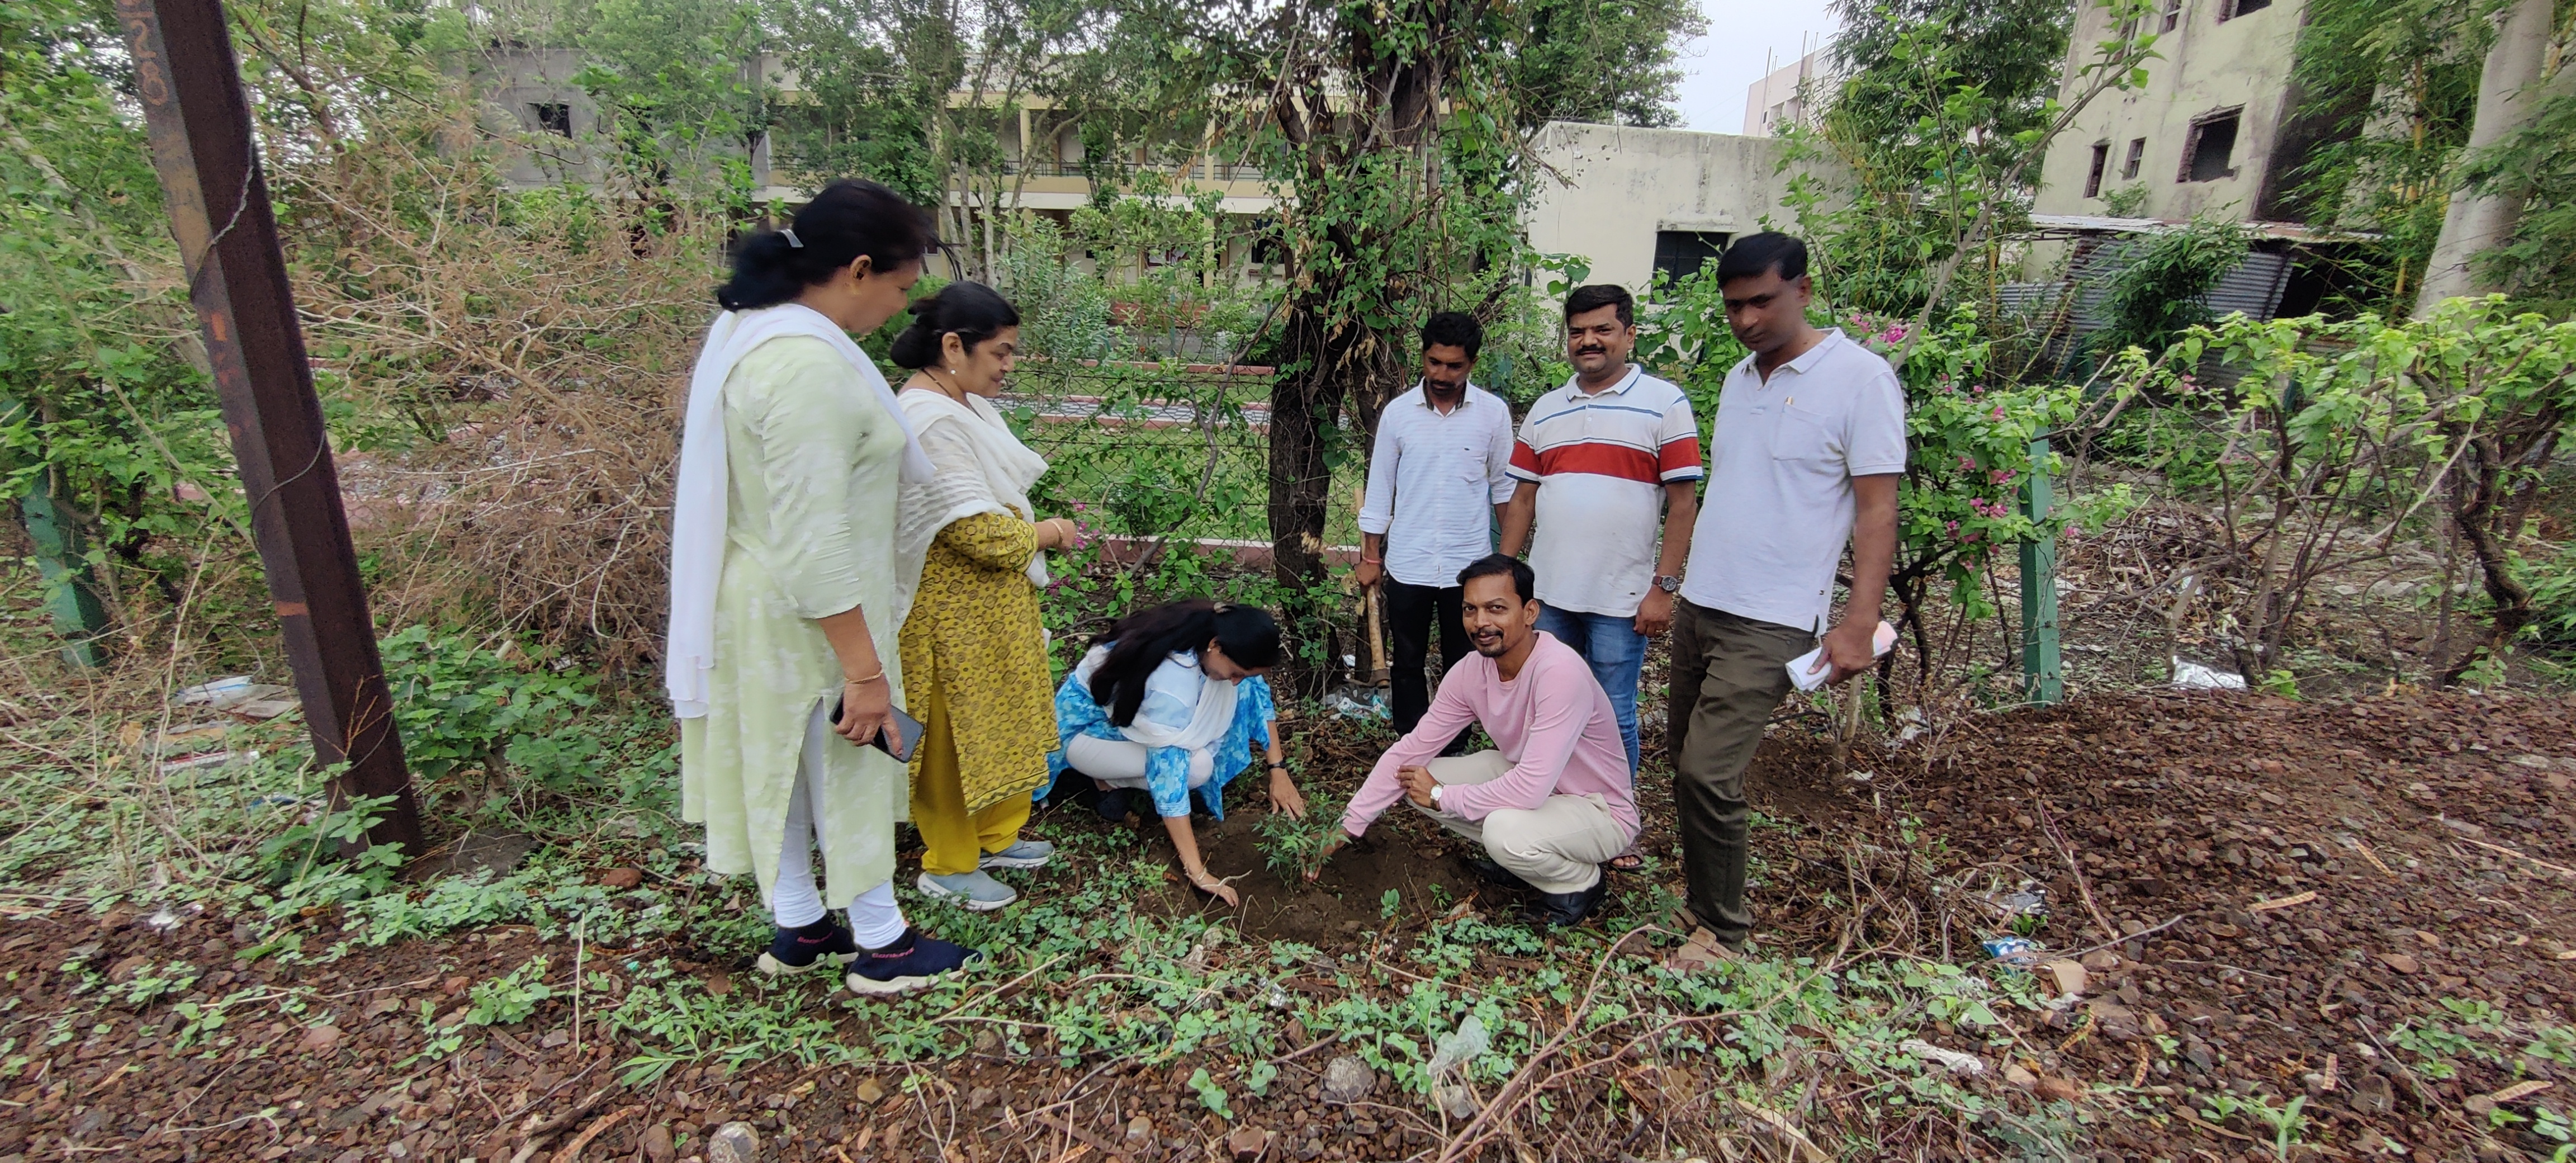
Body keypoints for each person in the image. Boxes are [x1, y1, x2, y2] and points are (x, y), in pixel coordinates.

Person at [666, 178, 977, 995]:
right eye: (903, 289)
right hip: (808, 615)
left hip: (776, 605)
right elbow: (814, 535)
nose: (901, 307)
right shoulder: (803, 365)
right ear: (860, 269)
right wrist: (865, 673)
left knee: (792, 770)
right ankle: (883, 945)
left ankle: (802, 927)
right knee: (852, 766)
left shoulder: (760, 337)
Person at [1665, 233, 1905, 971]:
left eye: (1761, 302)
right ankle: (1703, 901)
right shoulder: (1740, 379)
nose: (1745, 319)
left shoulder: (1861, 379)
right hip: (1702, 603)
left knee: (1709, 771)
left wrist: (1859, 621)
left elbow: (1876, 510)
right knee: (1683, 762)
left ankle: (1726, 934)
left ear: (1803, 289)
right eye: (1733, 306)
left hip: (1771, 618)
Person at [1317, 554, 1637, 926]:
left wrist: (1443, 796)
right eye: (1470, 609)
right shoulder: (1472, 671)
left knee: (1502, 830)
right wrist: (1349, 824)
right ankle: (1527, 860)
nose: (1481, 622)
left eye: (1496, 608)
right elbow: (1411, 749)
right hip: (1541, 789)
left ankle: (1580, 882)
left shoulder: (1559, 673)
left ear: (1530, 612)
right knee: (1413, 776)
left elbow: (1531, 788)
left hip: (1599, 811)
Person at [1499, 283, 1701, 869]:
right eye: (1578, 330)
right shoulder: (1546, 408)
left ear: (1629, 334)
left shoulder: (1664, 404)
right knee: (1547, 708)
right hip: (1551, 597)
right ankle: (1553, 808)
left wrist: (1663, 588)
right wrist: (1506, 580)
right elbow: (1521, 501)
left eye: (1603, 329)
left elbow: (1683, 505)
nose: (1589, 340)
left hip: (1620, 599)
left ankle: (1616, 824)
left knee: (1613, 713)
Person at [890, 281, 1073, 913]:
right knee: (949, 735)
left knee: (1000, 722)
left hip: (990, 610)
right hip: (946, 615)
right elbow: (978, 532)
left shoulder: (960, 405)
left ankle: (995, 836)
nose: (1008, 366)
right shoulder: (928, 420)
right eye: (1000, 352)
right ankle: (947, 862)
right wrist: (1050, 533)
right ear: (952, 346)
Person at [1045, 601, 1305, 905]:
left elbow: (1257, 690)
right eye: (1235, 672)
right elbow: (1168, 771)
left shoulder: (1210, 633)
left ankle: (1115, 777)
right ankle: (1101, 779)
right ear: (1215, 647)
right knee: (1196, 767)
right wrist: (1198, 872)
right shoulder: (1172, 687)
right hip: (1086, 733)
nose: (1236, 680)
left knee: (1237, 697)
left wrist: (1278, 769)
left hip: (1129, 722)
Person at [1355, 311, 1517, 744]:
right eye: (1434, 362)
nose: (1442, 374)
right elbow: (1379, 490)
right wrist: (1371, 557)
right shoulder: (1398, 415)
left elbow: (1505, 490)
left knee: (1463, 659)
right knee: (1406, 658)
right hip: (1409, 561)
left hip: (1470, 566)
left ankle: (1455, 745)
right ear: (1422, 357)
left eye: (1454, 366)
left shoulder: (1493, 415)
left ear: (1473, 364)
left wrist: (1510, 564)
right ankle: (1411, 742)